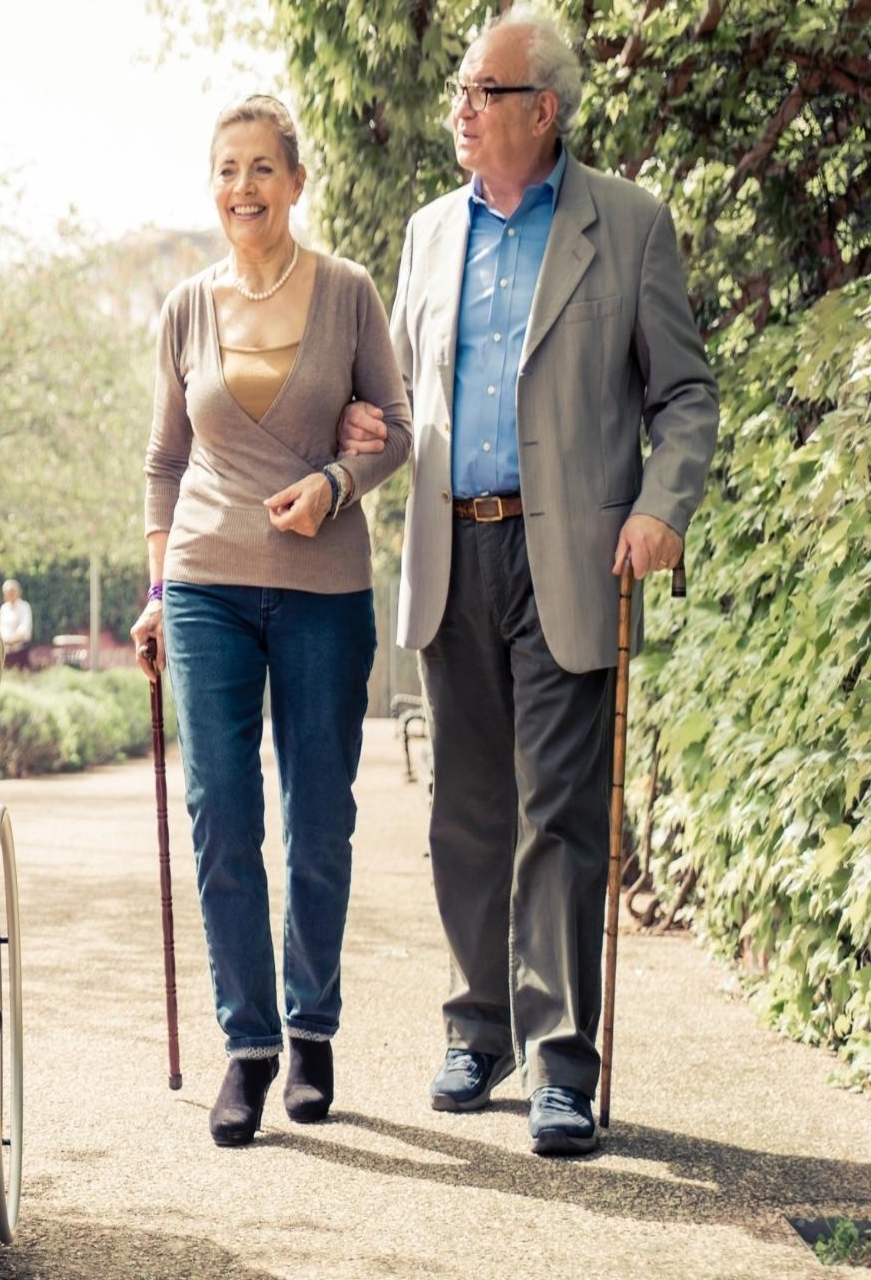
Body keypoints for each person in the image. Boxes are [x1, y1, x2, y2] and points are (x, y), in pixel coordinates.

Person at [381, 7, 718, 1155]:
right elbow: (399, 394)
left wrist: (663, 505)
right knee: (465, 811)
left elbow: (685, 395)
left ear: (544, 109)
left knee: (559, 814)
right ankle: (477, 1028)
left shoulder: (627, 224)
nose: (461, 110)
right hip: (452, 548)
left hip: (570, 550)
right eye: (460, 90)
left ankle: (561, 1060)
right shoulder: (430, 233)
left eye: (482, 91)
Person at [130, 96, 412, 1148]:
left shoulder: (348, 294)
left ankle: (312, 1027)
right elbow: (164, 463)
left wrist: (336, 483)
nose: (242, 187)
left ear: (295, 181)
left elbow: (397, 431)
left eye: (261, 168)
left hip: (323, 588)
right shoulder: (185, 308)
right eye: (226, 170)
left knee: (319, 816)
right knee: (219, 810)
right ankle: (248, 1045)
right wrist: (157, 591)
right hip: (204, 581)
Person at [0, 578, 33, 663]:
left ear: (18, 592)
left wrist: (10, 641)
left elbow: (24, 629)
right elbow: (1, 628)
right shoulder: (3, 608)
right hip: (5, 652)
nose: (10, 594)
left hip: (20, 652)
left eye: (12, 591)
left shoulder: (24, 607)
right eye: (7, 592)